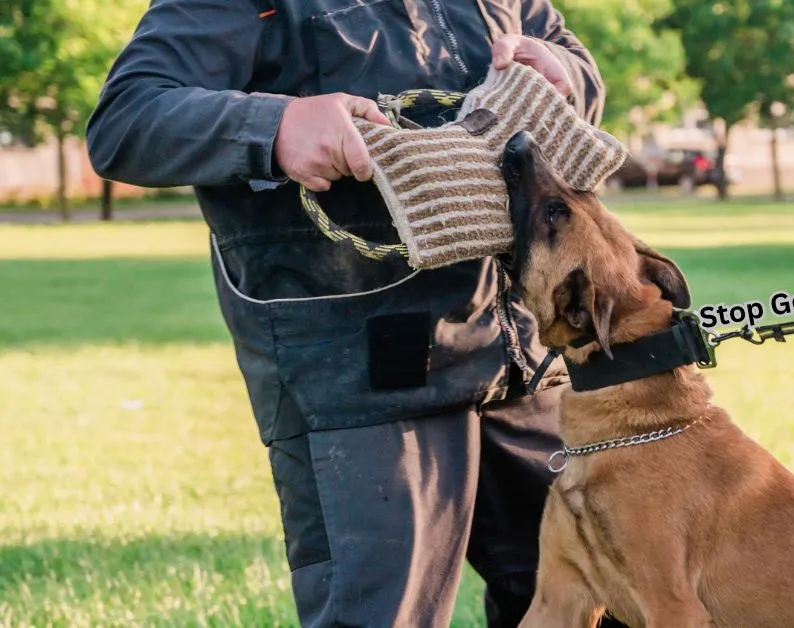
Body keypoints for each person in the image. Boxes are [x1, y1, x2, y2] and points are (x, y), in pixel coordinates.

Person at [86, 2, 617, 626]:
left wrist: (564, 75)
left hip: (527, 354)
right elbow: (127, 120)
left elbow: (575, 69)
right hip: (363, 370)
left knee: (600, 602)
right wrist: (278, 125)